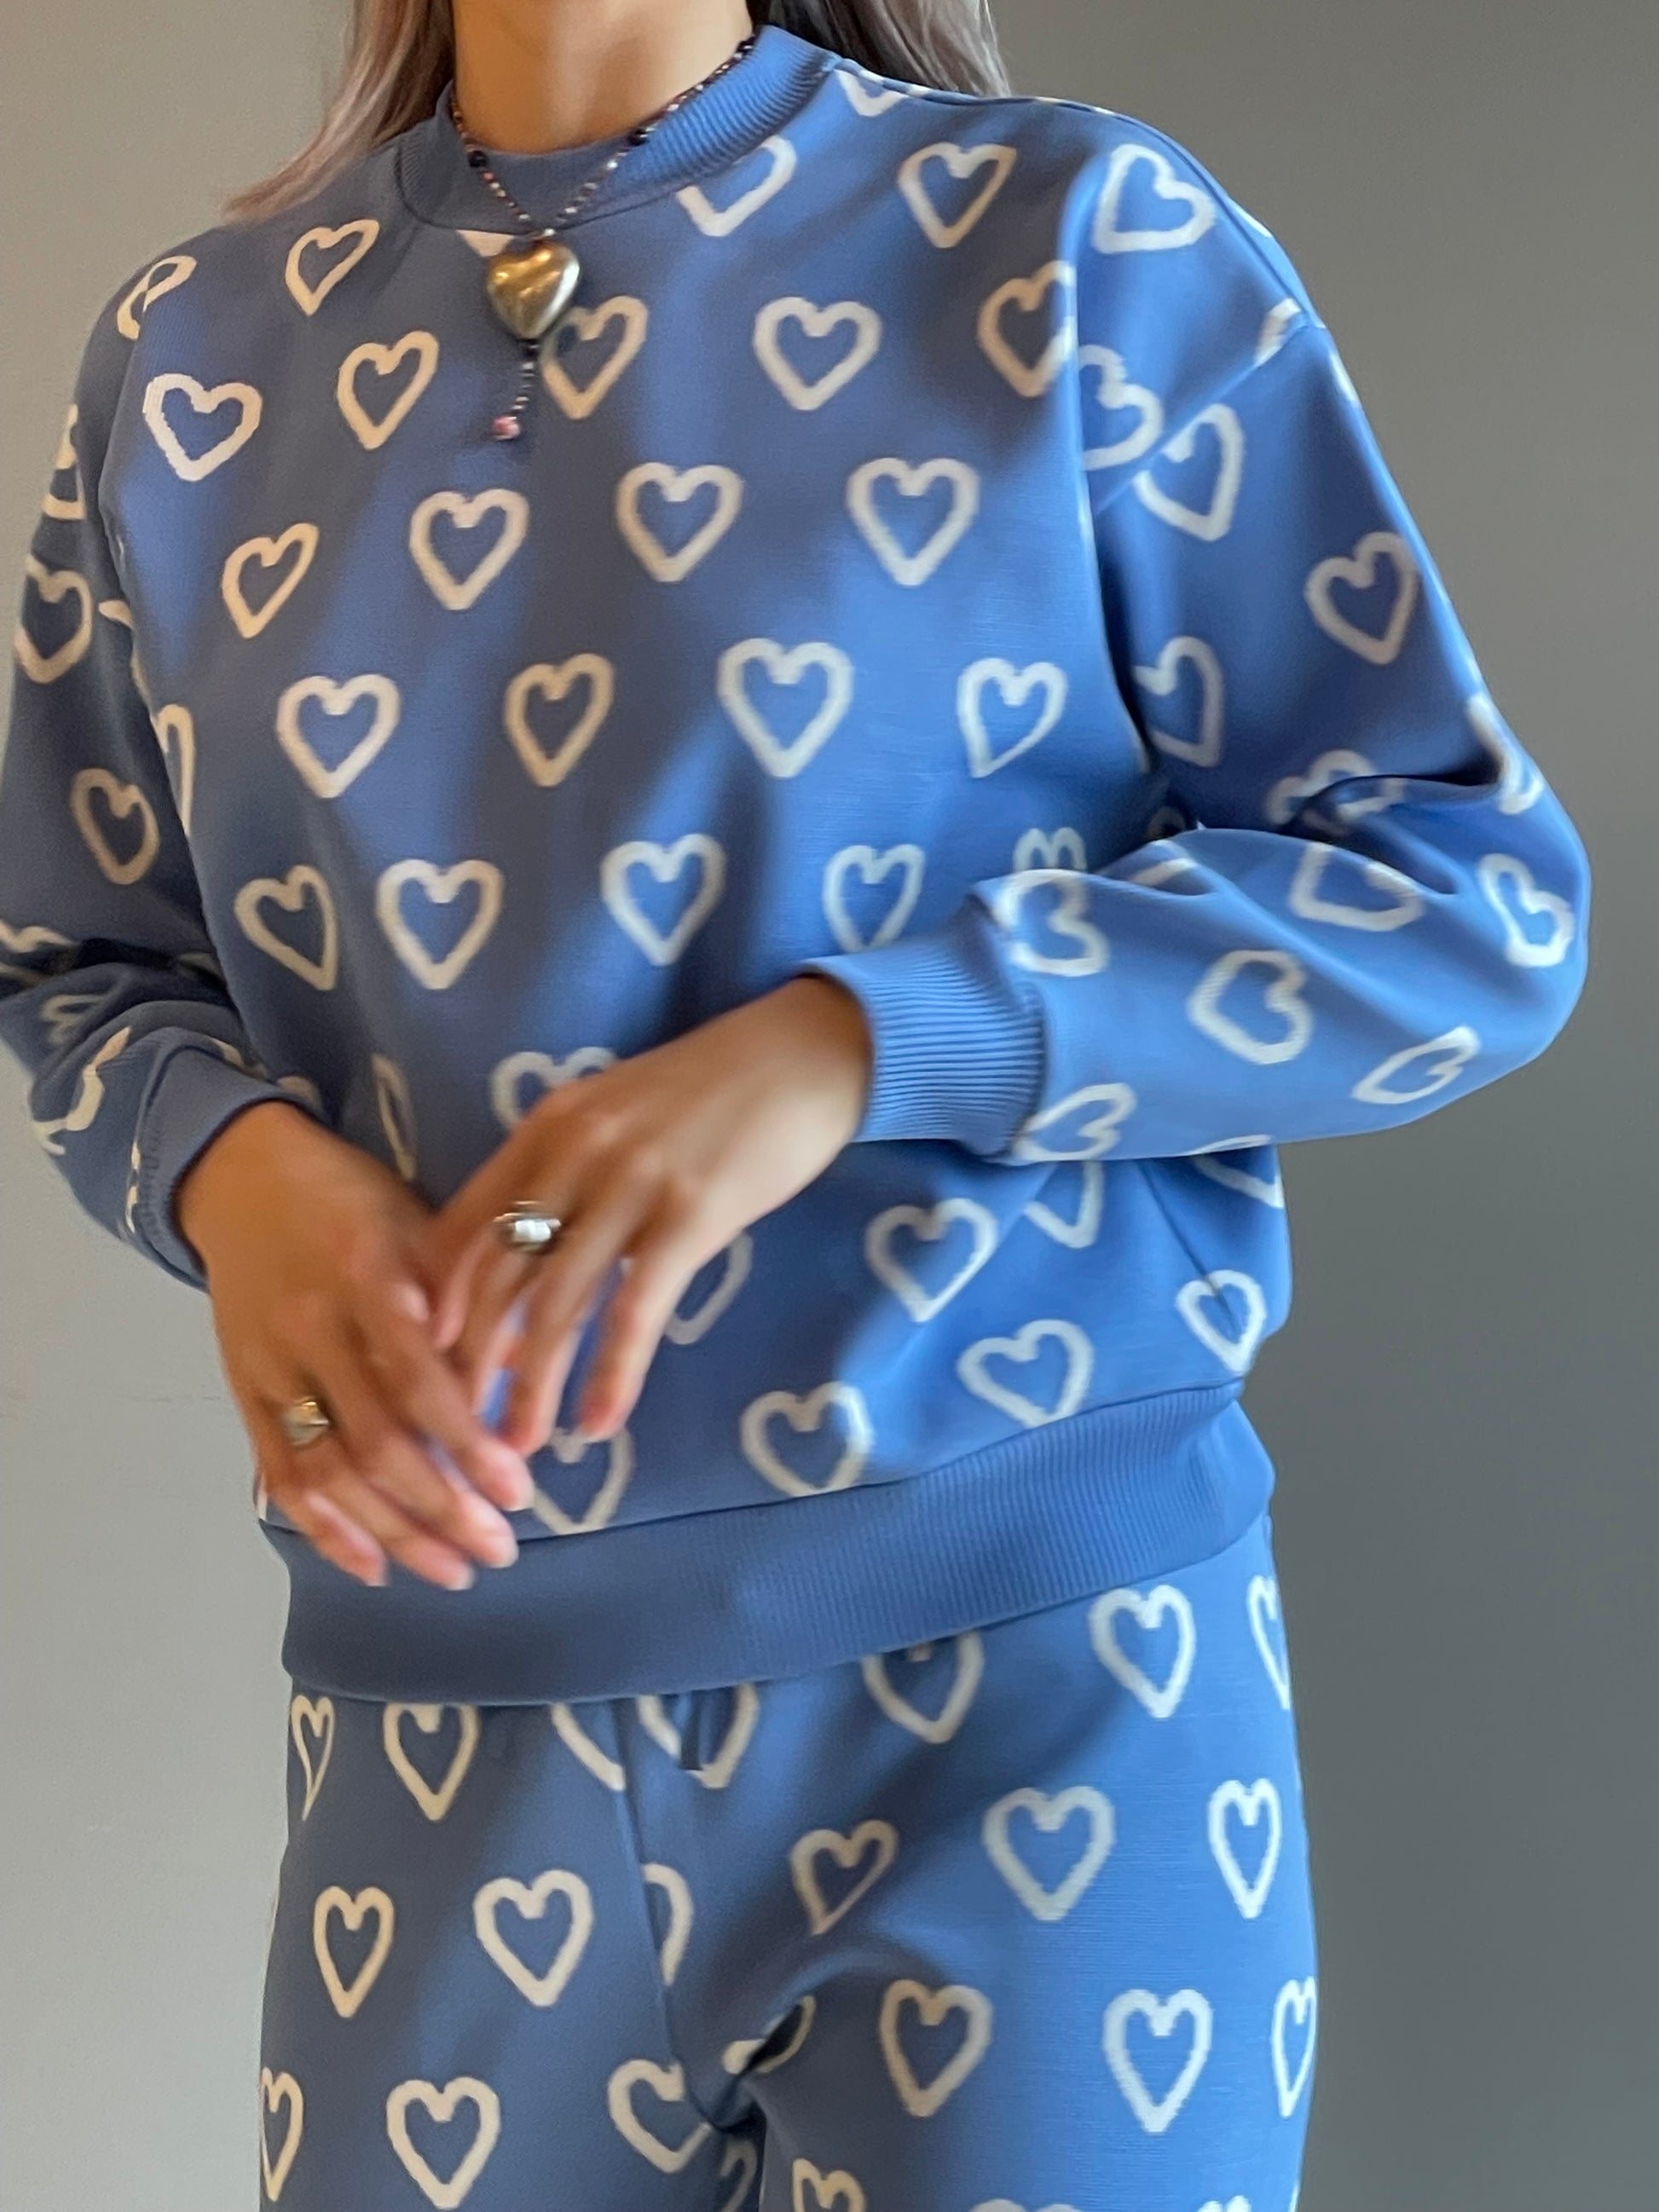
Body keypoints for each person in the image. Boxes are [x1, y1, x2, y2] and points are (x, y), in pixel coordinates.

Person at [0, 0, 1590, 2203]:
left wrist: (852, 1044)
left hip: (1036, 1711)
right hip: (433, 1728)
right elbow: (77, 954)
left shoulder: (1068, 240)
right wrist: (233, 1174)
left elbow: (1460, 899)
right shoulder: (189, 355)